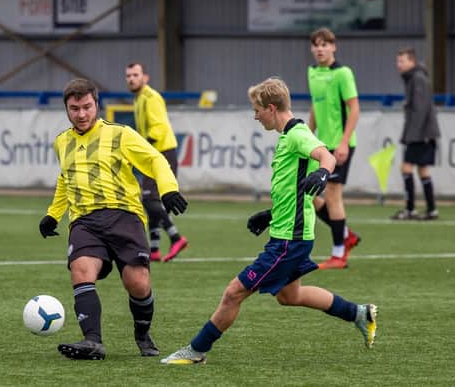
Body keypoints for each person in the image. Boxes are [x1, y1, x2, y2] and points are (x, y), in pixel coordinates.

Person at [160, 77, 377, 365]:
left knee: (234, 292)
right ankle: (360, 313)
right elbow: (293, 190)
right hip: (289, 233)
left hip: (289, 241)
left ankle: (196, 350)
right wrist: (270, 214)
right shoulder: (288, 137)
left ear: (271, 108)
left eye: (257, 109)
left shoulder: (298, 134)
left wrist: (323, 173)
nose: (255, 115)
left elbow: (326, 155)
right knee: (290, 296)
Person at [39, 78, 188, 360]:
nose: (81, 114)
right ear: (66, 110)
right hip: (84, 221)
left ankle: (142, 334)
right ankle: (92, 341)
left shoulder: (121, 134)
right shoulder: (61, 142)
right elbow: (65, 179)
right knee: (81, 271)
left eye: (86, 107)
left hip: (124, 216)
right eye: (74, 109)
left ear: (97, 105)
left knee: (138, 283)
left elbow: (156, 159)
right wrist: (52, 214)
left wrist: (168, 190)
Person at [307, 27, 361, 270]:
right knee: (308, 196)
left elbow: (354, 109)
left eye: (325, 44)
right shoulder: (312, 73)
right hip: (321, 146)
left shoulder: (343, 73)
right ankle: (346, 234)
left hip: (340, 146)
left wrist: (343, 143)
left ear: (333, 47)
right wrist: (306, 137)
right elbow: (315, 109)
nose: (320, 48)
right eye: (316, 44)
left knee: (332, 195)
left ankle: (339, 254)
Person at [125, 62, 188, 262]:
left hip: (161, 153)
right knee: (152, 200)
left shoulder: (151, 97)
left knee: (149, 199)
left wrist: (141, 150)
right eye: (128, 76)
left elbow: (158, 129)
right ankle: (154, 249)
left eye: (135, 75)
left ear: (145, 77)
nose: (131, 79)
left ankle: (176, 237)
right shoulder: (139, 99)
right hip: (154, 153)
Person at [390, 47, 440, 220]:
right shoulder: (415, 78)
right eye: (398, 61)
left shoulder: (417, 78)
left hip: (420, 134)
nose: (399, 65)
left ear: (412, 61)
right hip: (424, 133)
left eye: (402, 61)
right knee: (423, 170)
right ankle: (431, 209)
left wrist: (410, 136)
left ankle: (411, 209)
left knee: (406, 168)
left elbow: (420, 109)